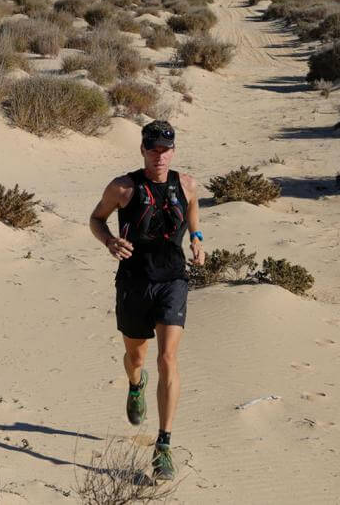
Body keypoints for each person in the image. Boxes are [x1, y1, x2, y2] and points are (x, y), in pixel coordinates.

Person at [88, 119, 204, 481]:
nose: (159, 155)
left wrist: (197, 237)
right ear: (142, 150)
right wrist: (109, 241)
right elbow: (96, 219)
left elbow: (193, 209)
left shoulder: (185, 184)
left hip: (173, 279)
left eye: (165, 149)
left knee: (168, 357)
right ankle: (136, 384)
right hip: (134, 282)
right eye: (153, 148)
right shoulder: (123, 187)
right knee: (136, 356)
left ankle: (164, 444)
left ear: (173, 151)